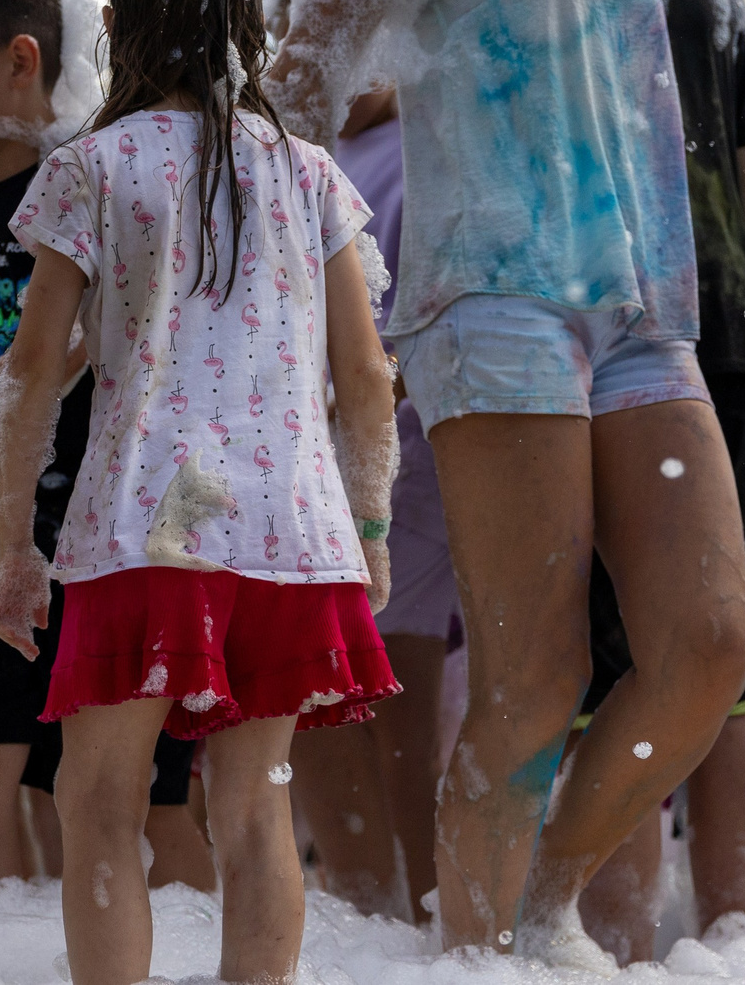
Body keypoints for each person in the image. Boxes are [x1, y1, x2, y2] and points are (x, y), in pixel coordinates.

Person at [268, 0, 745, 967]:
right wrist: (300, 278)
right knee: (530, 677)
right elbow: (298, 81)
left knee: (709, 640)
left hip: (643, 316)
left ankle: (541, 904)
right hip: (492, 300)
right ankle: (479, 951)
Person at [0, 0, 397, 985]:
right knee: (256, 814)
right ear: (252, 23)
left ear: (113, 24)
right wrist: (371, 528)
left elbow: (31, 378)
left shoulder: (94, 168)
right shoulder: (311, 176)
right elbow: (365, 381)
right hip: (292, 527)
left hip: (148, 520)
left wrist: (13, 543)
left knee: (98, 802)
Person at [0, 0, 212, 905]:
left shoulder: (101, 167)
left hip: (115, 511)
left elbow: (96, 330)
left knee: (120, 796)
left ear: (21, 59)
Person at [568, 0, 745, 956]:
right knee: (731, 654)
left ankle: (610, 952)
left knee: (618, 661)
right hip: (725, 330)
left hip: (603, 332)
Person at [286, 88, 455, 923]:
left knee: (380, 700)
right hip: (354, 437)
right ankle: (395, 917)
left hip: (392, 437)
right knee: (353, 699)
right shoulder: (342, 150)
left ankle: (402, 914)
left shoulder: (401, 142)